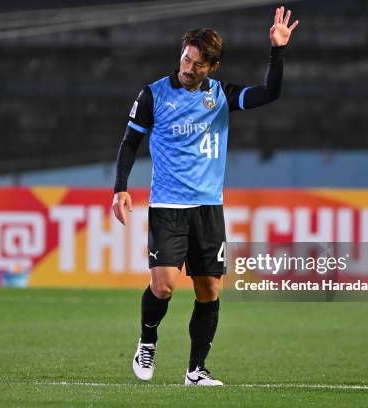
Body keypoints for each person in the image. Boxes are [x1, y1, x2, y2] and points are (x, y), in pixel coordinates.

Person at [112, 6, 299, 386]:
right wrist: (120, 188)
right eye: (185, 57)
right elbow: (130, 142)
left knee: (209, 289)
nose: (186, 67)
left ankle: (195, 370)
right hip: (168, 207)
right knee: (163, 285)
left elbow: (269, 93)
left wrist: (277, 51)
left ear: (210, 67)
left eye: (196, 63)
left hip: (209, 209)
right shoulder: (153, 95)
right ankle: (147, 342)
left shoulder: (221, 95)